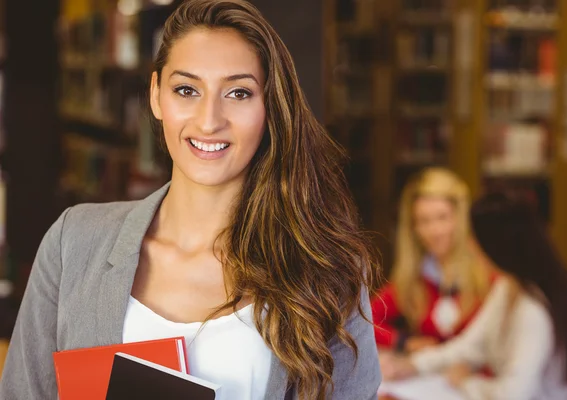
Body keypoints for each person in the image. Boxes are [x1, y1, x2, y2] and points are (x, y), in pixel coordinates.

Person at [0, 1, 382, 399]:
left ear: (269, 107)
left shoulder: (327, 270)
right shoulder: (73, 244)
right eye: (186, 90)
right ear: (155, 96)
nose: (209, 120)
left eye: (238, 92)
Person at [381, 193, 567, 400]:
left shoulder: (533, 309)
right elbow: (472, 344)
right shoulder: (507, 287)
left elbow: (513, 394)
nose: (470, 246)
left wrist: (466, 383)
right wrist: (414, 365)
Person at [371, 167, 492, 353]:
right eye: (424, 221)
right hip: (430, 377)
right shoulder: (414, 277)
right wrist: (403, 342)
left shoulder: (488, 270)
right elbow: (365, 321)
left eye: (443, 217)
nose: (434, 231)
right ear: (414, 228)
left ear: (460, 218)